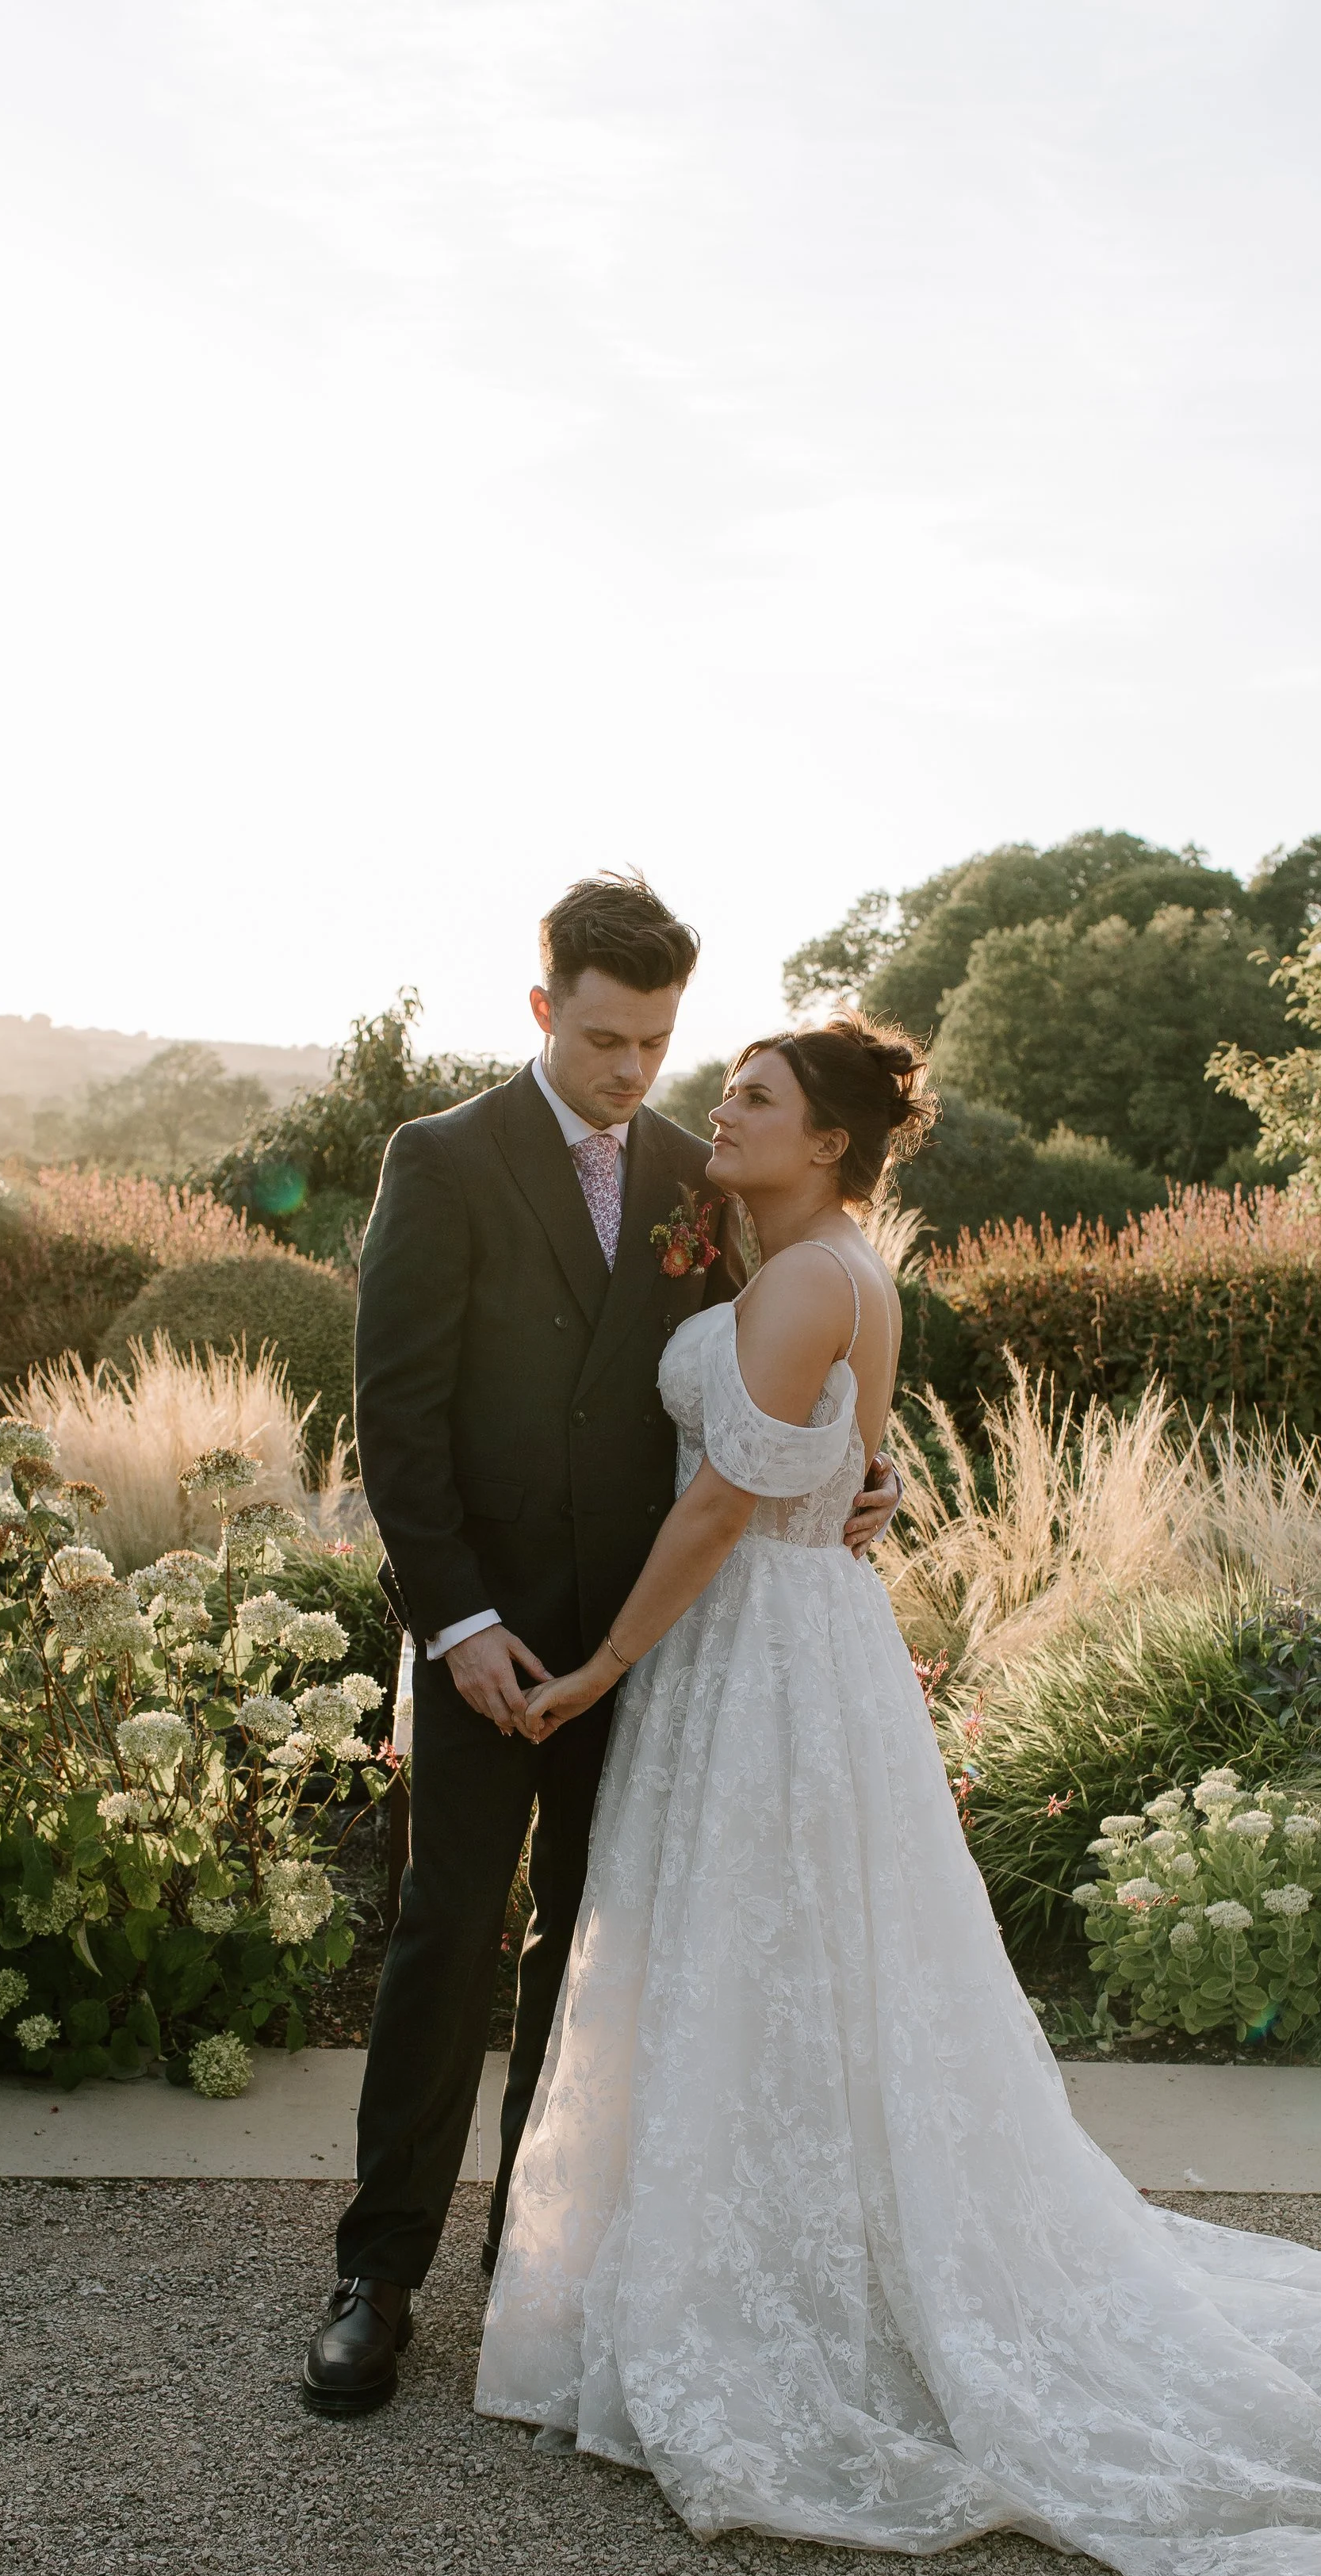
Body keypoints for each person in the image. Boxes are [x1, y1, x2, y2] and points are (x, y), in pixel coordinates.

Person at [474, 1012, 1321, 2576]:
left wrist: (594, 1665)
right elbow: (848, 1471)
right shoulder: (821, 1267)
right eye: (722, 1083)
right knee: (796, 1969)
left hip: (760, 1658)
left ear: (827, 1143)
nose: (717, 1107)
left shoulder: (805, 1283)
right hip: (798, 1649)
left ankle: (771, 2299)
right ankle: (763, 2257)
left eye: (753, 1095)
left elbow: (721, 1504)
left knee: (761, 1955)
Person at [303, 878, 900, 2417]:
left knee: (588, 1952)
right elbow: (397, 1422)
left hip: (653, 1644)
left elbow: (787, 1348)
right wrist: (461, 1624)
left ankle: (537, 2266)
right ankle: (379, 2275)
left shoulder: (703, 1177)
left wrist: (864, 1465)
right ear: (540, 1008)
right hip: (482, 1643)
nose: (633, 1070)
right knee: (445, 1938)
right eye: (604, 1036)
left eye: (657, 1042)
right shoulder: (436, 1161)